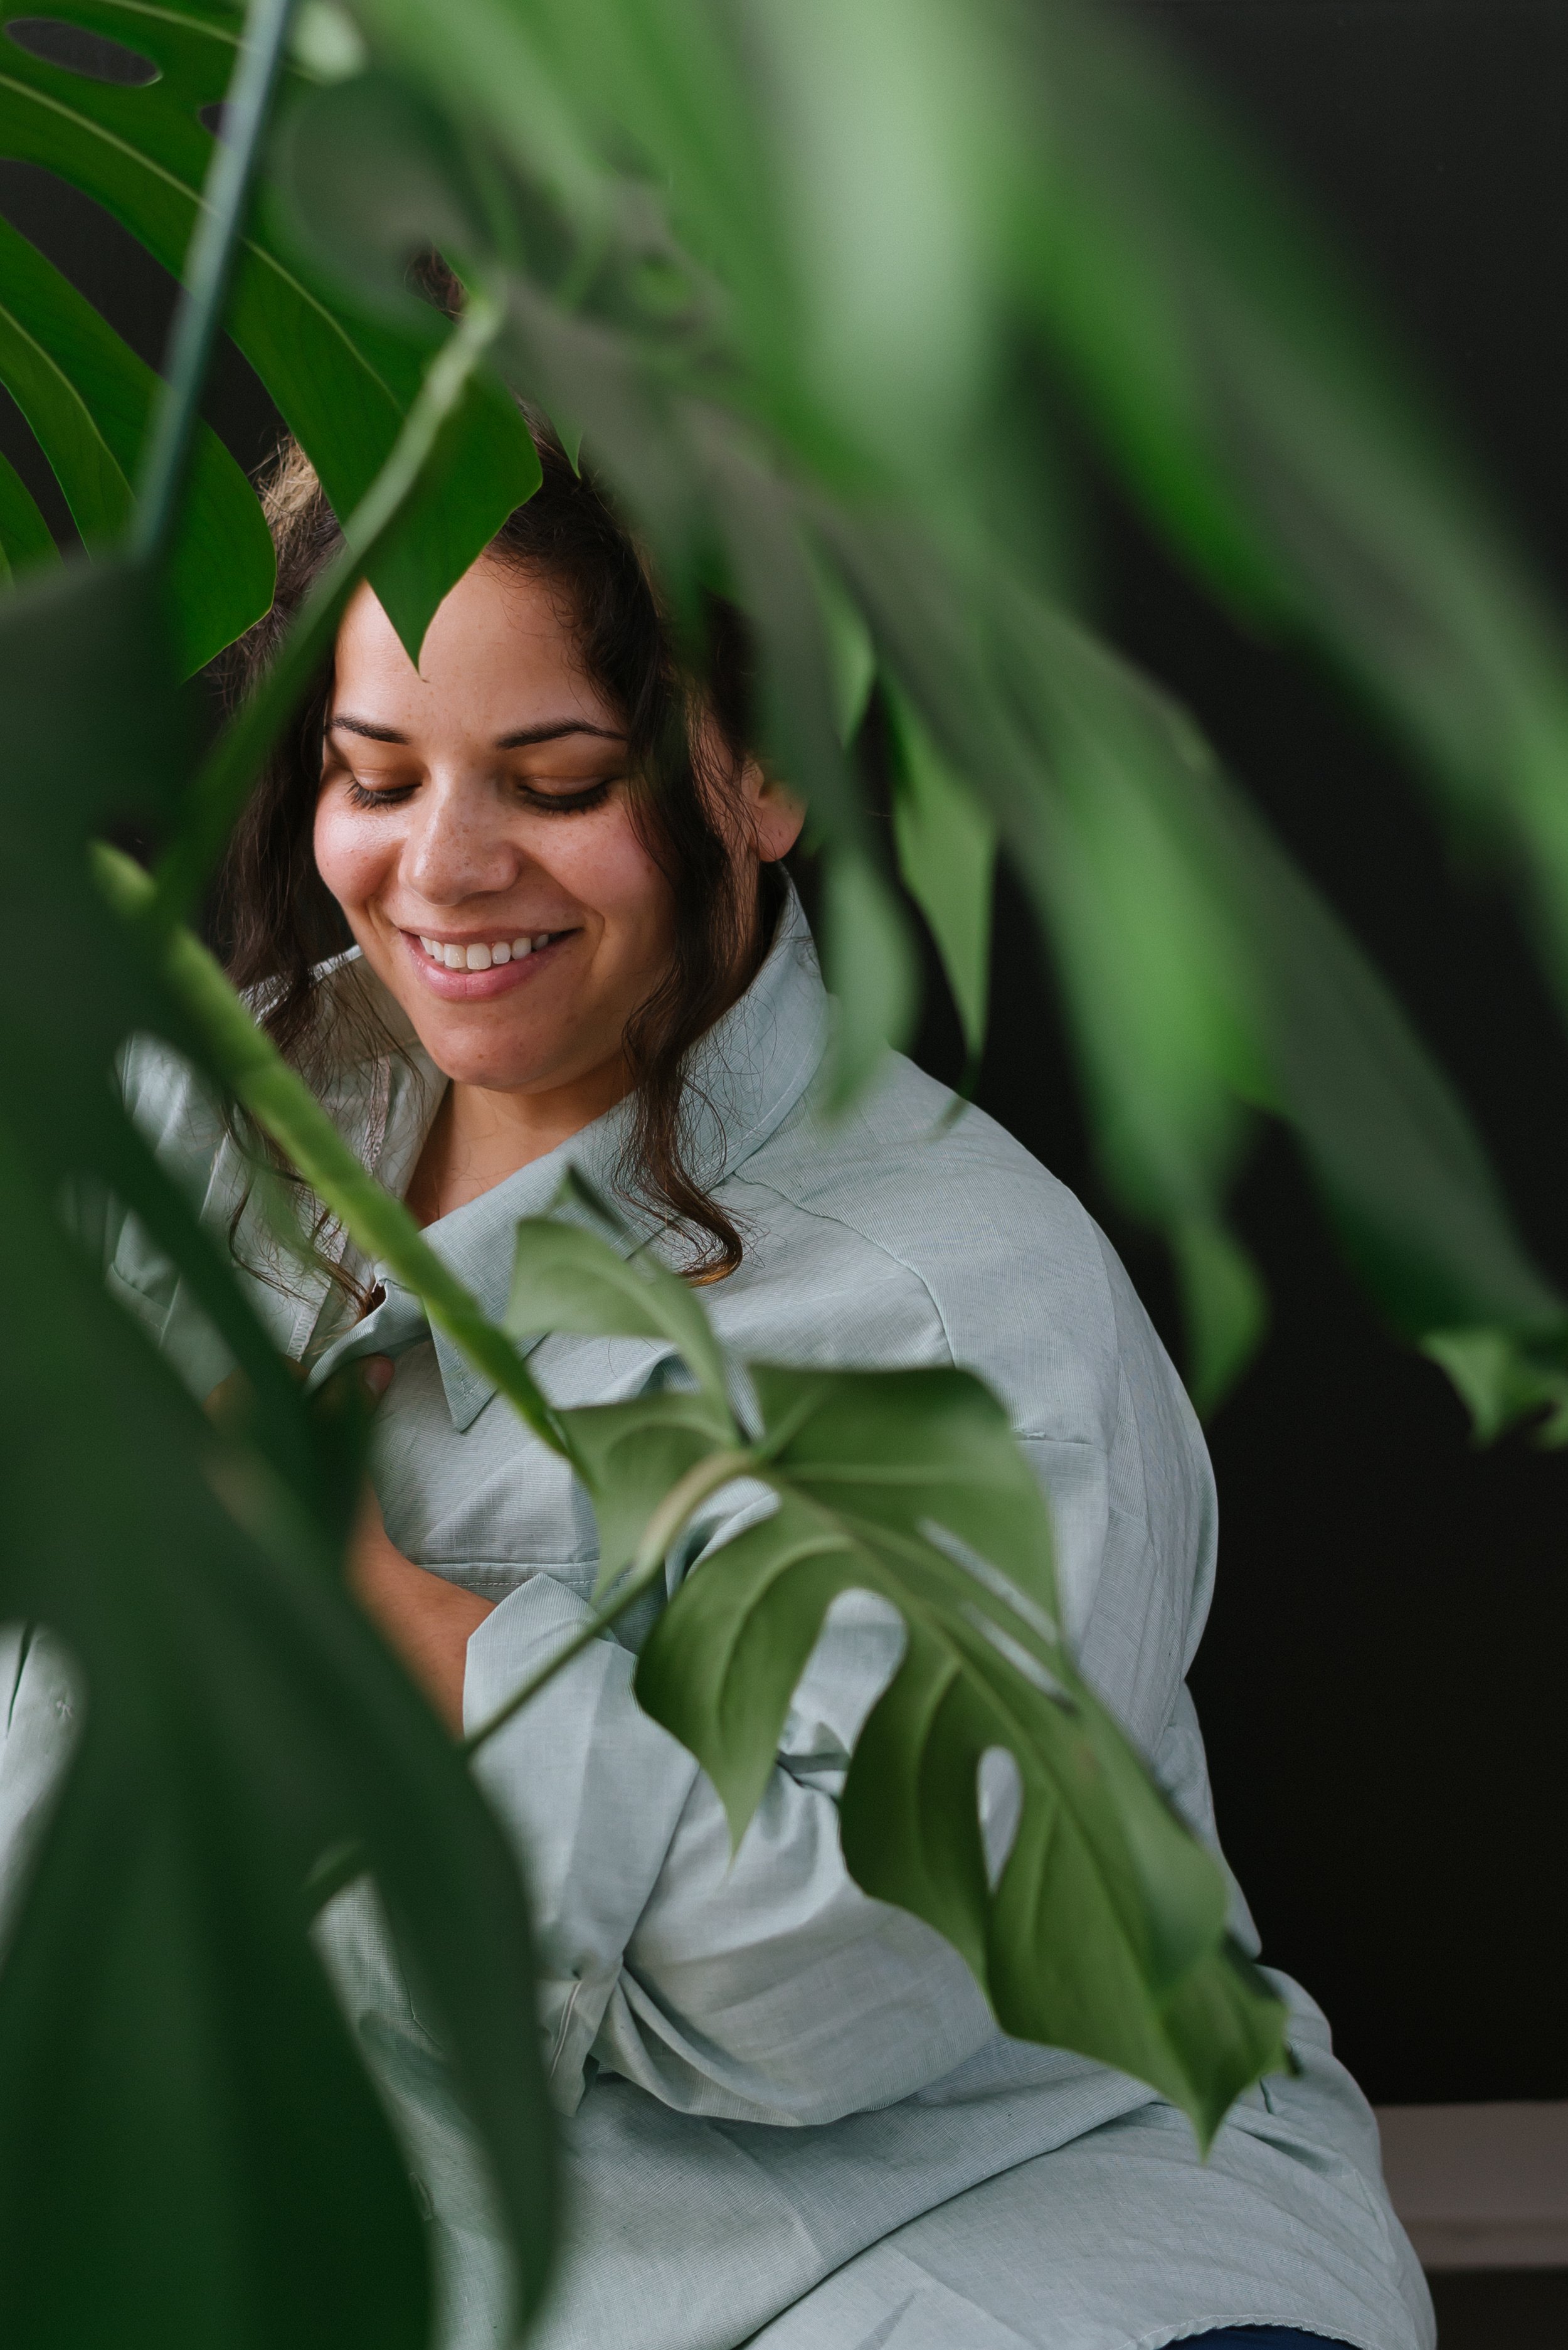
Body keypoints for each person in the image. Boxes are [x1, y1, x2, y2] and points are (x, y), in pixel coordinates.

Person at [0, 430, 1432, 2350]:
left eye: (557, 779)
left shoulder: (955, 1306)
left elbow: (823, 1987)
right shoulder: (190, 1129)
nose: (442, 870)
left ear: (762, 775)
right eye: (374, 773)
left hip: (945, 2247)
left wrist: (366, 1594)